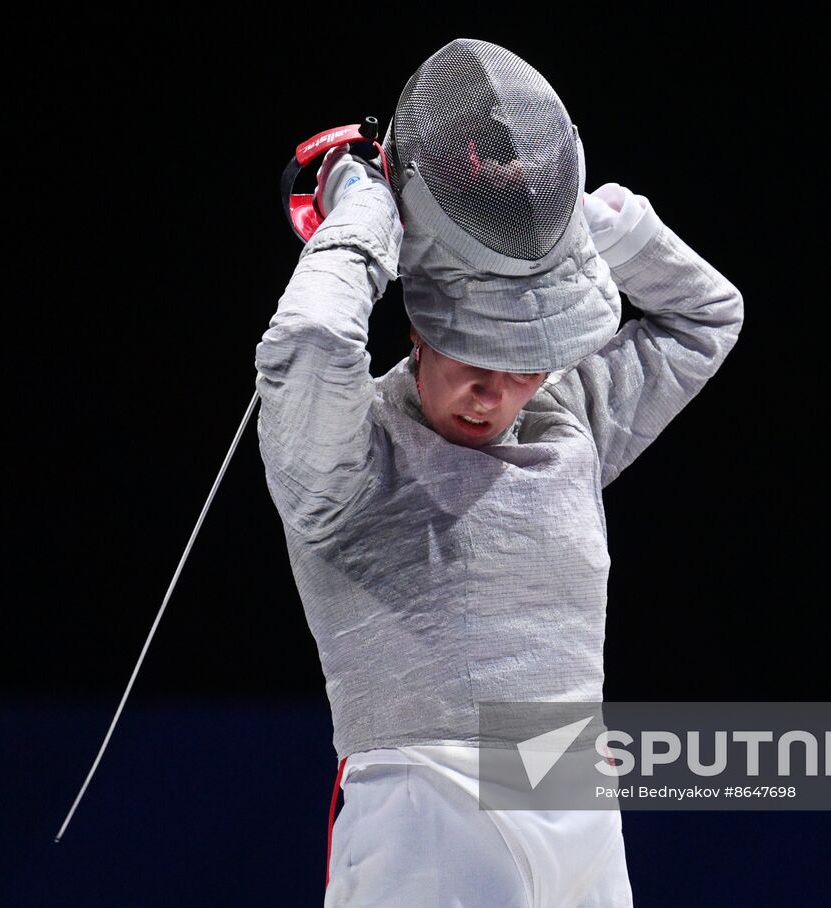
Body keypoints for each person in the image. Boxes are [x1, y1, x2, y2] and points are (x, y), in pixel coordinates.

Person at [256, 39, 743, 908]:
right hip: (426, 802)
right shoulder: (343, 456)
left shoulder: (566, 417)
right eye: (475, 352)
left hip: (574, 793)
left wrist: (558, 233)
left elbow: (706, 316)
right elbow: (312, 342)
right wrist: (365, 212)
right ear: (419, 325)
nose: (495, 390)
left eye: (527, 359)